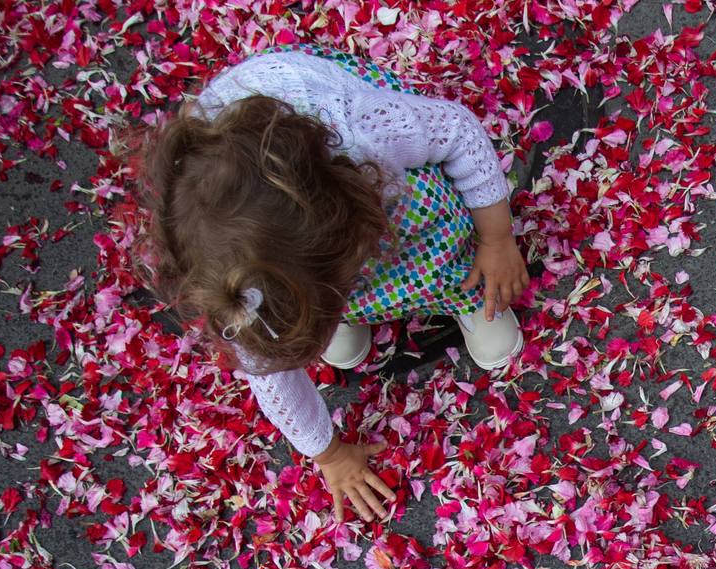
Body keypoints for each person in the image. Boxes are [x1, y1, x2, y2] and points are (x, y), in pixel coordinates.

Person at [136, 46, 529, 522]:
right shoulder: (231, 284)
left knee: (429, 228)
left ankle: (461, 288)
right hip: (295, 233)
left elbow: (456, 132)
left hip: (365, 173)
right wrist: (329, 454)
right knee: (301, 307)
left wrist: (496, 238)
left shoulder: (367, 134)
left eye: (325, 306)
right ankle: (327, 309)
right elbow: (271, 378)